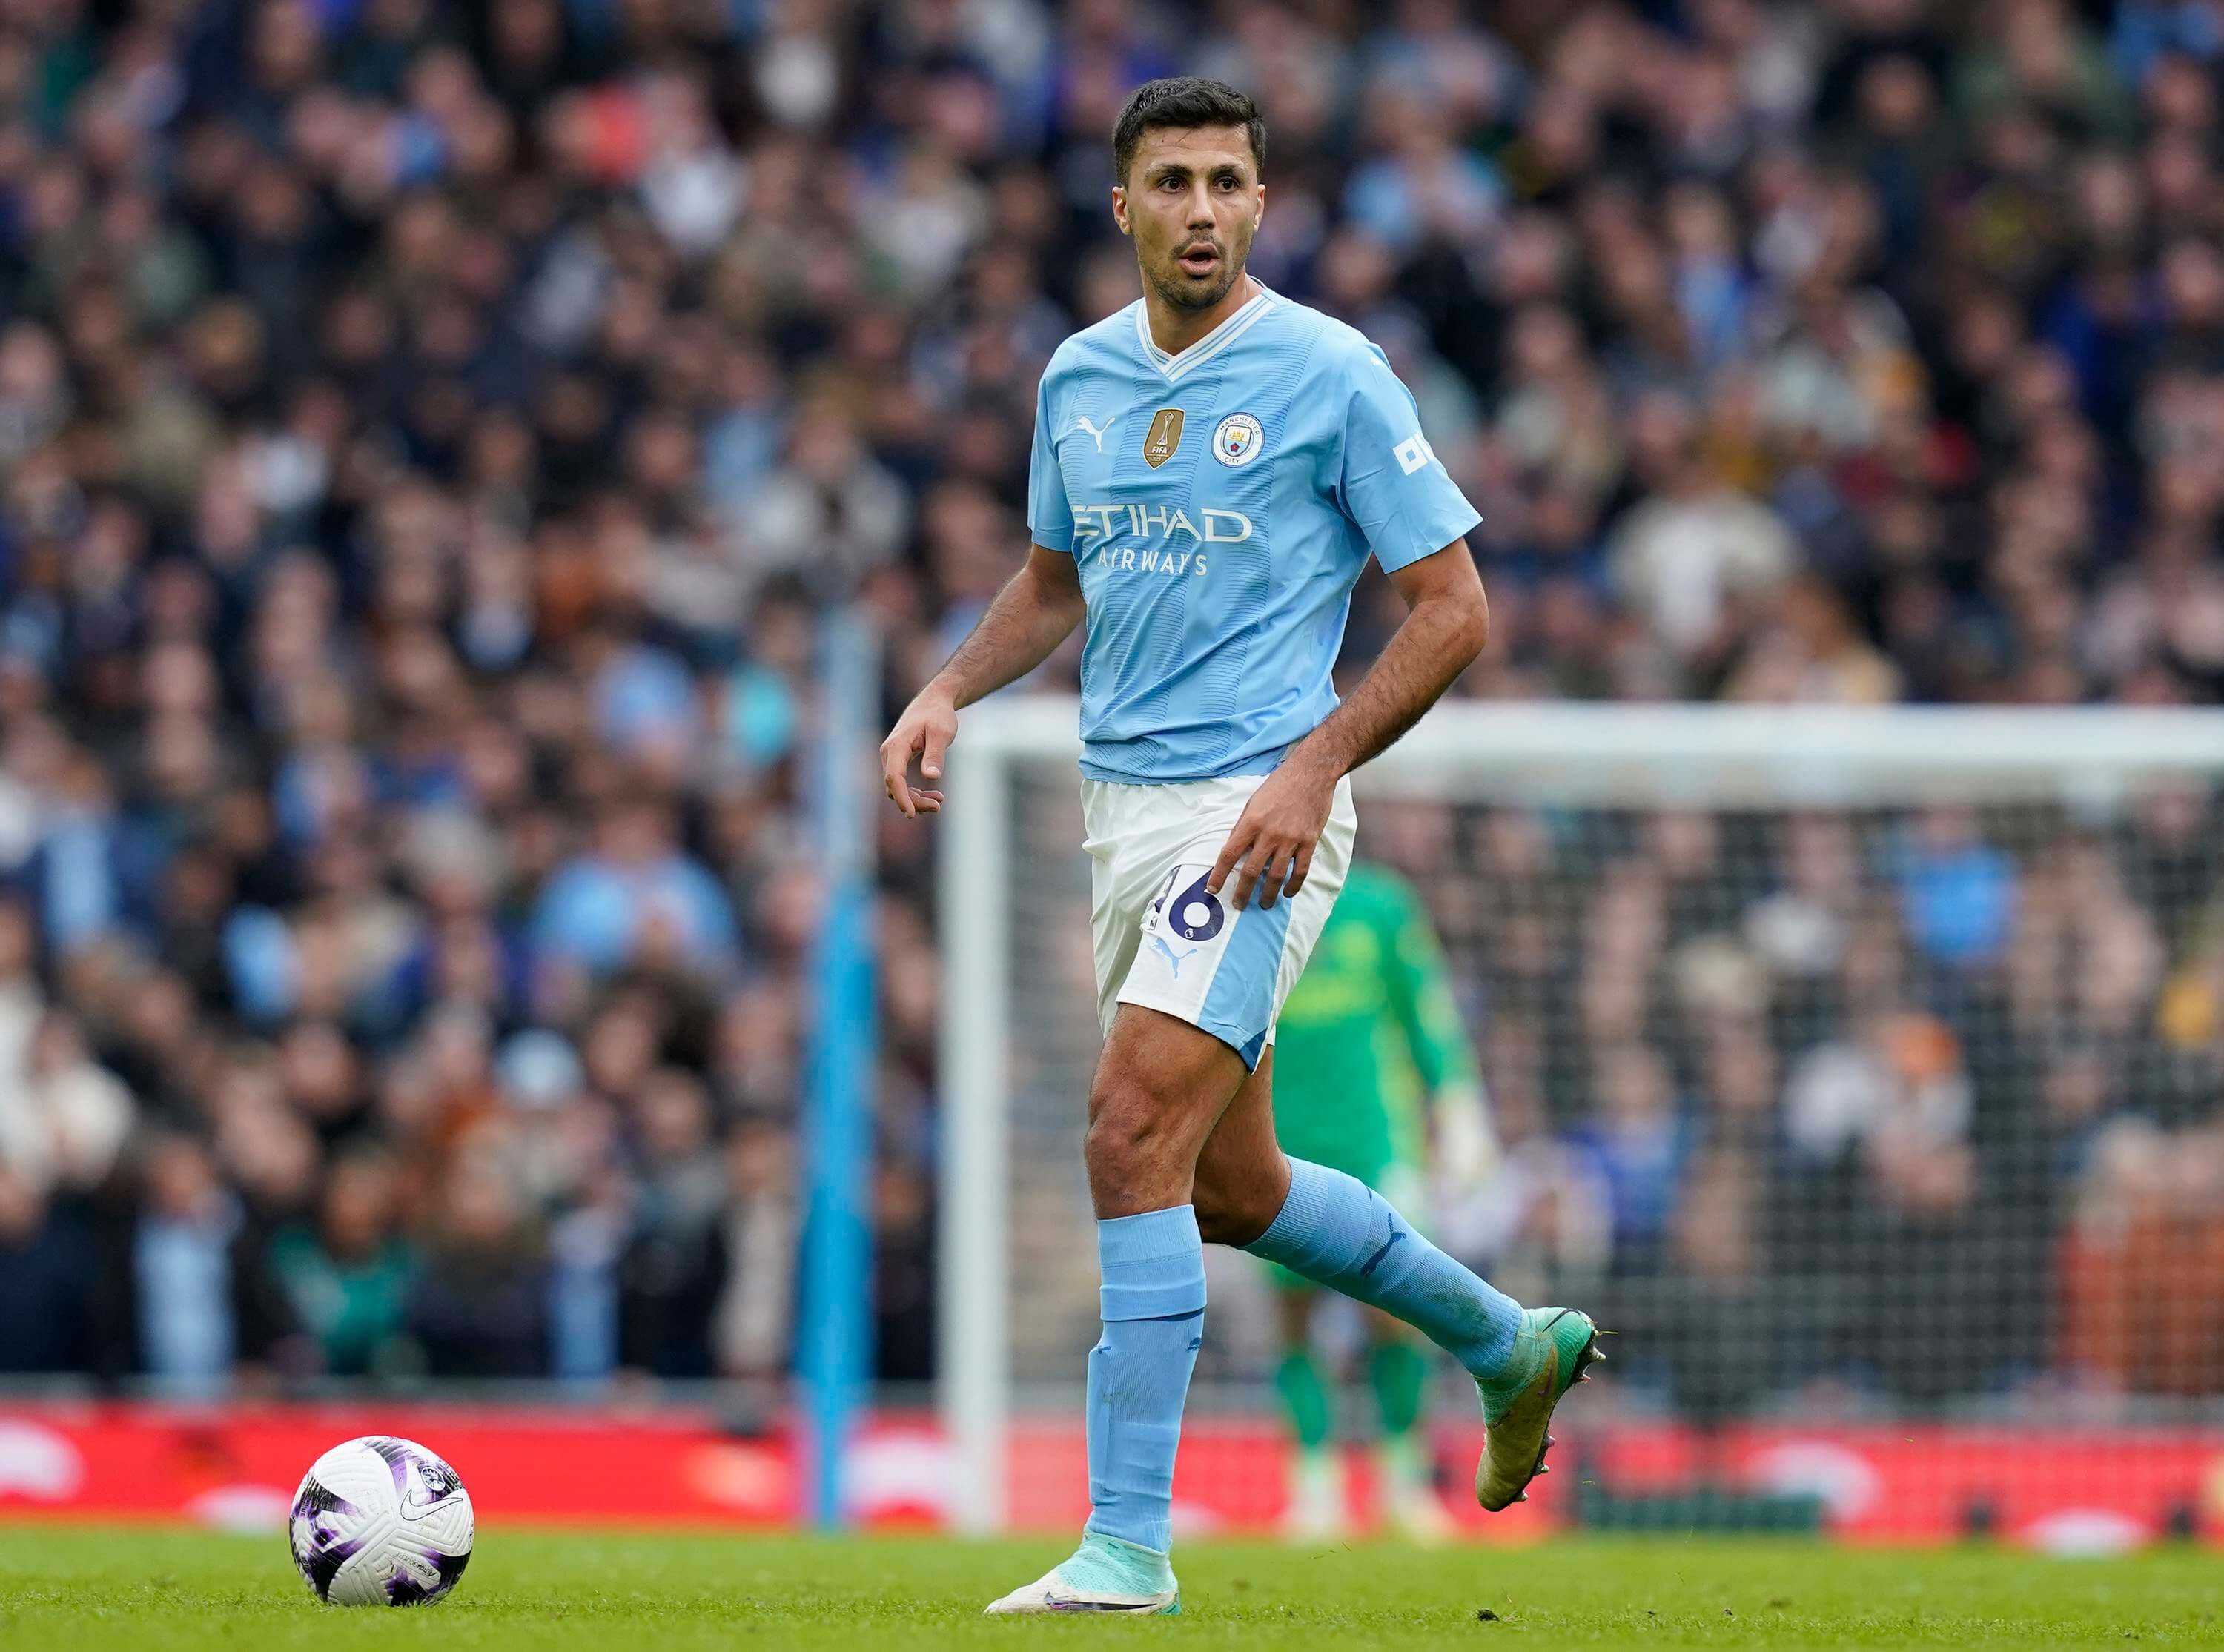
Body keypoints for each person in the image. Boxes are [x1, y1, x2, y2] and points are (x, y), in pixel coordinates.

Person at [882, 77, 1600, 1616]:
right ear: (1123, 206)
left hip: (1255, 813)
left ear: (1262, 204)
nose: (1201, 208)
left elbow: (1456, 609)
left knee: (1124, 1132)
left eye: (1225, 181)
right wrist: (947, 683)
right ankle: (1503, 1339)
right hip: (1120, 814)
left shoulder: (1335, 372)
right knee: (1227, 1185)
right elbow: (1053, 578)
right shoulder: (1076, 378)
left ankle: (1127, 1547)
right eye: (1172, 182)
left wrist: (1311, 768)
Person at [1265, 859, 1497, 1542]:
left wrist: (1458, 1105)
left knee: (1395, 1310)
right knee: (1294, 1313)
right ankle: (1313, 1485)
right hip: (1277, 1135)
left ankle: (1403, 1480)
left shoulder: (1380, 904)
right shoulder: (1246, 897)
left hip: (1377, 1142)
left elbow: (1426, 1010)